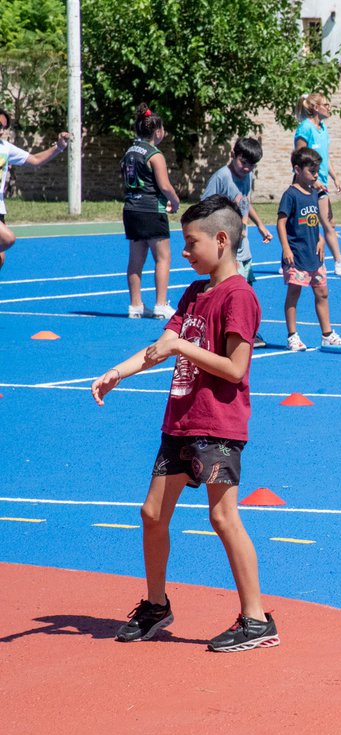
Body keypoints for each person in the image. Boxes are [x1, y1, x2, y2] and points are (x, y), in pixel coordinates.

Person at [91, 195, 278, 653]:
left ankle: (257, 619)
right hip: (179, 421)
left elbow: (234, 369)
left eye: (191, 243)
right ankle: (157, 605)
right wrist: (119, 370)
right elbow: (163, 344)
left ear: (221, 240)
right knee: (152, 514)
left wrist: (181, 350)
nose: (186, 252)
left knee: (222, 515)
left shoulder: (239, 296)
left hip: (217, 425)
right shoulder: (195, 294)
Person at [201, 137, 271, 348]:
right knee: (231, 289)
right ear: (233, 154)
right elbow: (206, 206)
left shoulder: (247, 177)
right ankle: (226, 333)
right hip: (227, 244)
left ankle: (247, 330)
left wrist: (259, 224)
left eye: (252, 165)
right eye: (243, 162)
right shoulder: (222, 177)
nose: (247, 168)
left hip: (243, 243)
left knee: (246, 288)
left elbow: (245, 203)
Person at [278, 147, 341, 350]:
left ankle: (327, 334)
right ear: (297, 170)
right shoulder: (290, 195)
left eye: (317, 171)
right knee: (294, 294)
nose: (315, 175)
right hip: (296, 256)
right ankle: (292, 335)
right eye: (312, 171)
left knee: (322, 293)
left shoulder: (313, 193)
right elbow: (281, 223)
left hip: (314, 254)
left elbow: (312, 220)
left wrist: (320, 238)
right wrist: (286, 248)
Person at [121, 104, 180, 320]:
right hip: (151, 209)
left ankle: (135, 304)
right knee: (162, 258)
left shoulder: (129, 152)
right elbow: (164, 186)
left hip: (131, 209)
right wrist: (175, 200)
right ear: (157, 132)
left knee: (136, 260)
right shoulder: (155, 155)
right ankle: (160, 304)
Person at [294, 92, 341, 277]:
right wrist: (312, 181)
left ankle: (336, 261)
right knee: (321, 224)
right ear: (316, 108)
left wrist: (335, 177)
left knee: (330, 221)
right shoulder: (305, 128)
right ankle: (339, 262)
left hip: (320, 183)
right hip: (309, 185)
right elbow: (298, 158)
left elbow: (324, 157)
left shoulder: (322, 128)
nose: (329, 108)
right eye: (326, 104)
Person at [0, 108, 71, 273]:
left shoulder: (5, 148)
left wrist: (59, 147)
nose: (1, 130)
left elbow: (35, 160)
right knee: (8, 239)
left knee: (1, 258)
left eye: (4, 127)